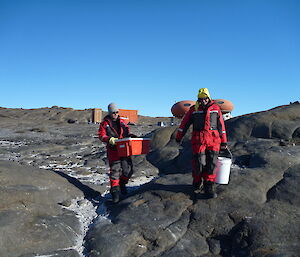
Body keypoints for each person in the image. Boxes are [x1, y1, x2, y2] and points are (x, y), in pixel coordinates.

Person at [175, 88, 227, 198]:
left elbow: (221, 126)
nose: (203, 100)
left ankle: (209, 187)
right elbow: (184, 124)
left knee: (211, 164)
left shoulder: (215, 109)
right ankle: (197, 182)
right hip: (199, 141)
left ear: (209, 98)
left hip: (214, 141)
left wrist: (224, 142)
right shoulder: (194, 109)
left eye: (205, 98)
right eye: (200, 99)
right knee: (199, 163)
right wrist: (179, 137)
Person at [98, 103, 137, 203]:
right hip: (113, 150)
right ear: (109, 113)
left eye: (116, 112)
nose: (115, 114)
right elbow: (101, 136)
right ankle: (115, 194)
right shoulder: (105, 124)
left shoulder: (123, 122)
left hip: (124, 150)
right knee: (115, 172)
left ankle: (122, 184)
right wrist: (109, 139)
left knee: (127, 170)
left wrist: (132, 136)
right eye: (113, 112)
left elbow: (127, 133)